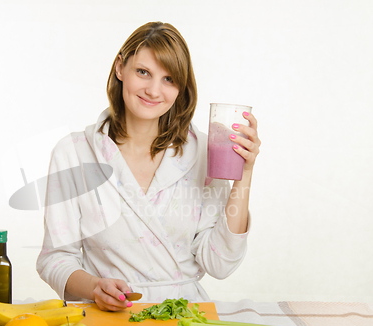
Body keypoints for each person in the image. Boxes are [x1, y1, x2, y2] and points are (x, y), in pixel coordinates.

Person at [37, 21, 261, 311]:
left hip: (185, 321)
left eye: (169, 79)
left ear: (181, 88)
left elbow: (219, 263)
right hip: (109, 319)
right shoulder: (74, 153)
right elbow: (54, 258)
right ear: (120, 68)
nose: (154, 91)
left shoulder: (204, 153)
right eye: (143, 72)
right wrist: (94, 288)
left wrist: (244, 174)